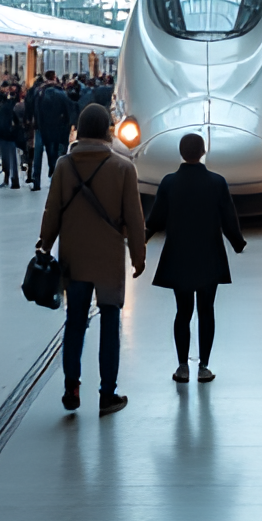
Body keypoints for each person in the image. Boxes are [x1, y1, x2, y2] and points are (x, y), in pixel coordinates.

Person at [37, 103, 146, 415]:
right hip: (109, 257)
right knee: (110, 321)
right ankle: (107, 394)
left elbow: (52, 211)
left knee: (75, 322)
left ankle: (72, 385)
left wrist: (45, 245)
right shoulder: (124, 168)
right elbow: (135, 219)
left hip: (74, 256)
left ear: (80, 130)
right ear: (107, 132)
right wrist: (138, 254)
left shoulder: (63, 166)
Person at [145, 133, 246, 383]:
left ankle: (181, 366)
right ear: (203, 152)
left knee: (182, 311)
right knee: (206, 310)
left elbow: (156, 219)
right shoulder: (217, 182)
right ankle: (203, 366)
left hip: (178, 254)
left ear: (181, 153)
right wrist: (237, 242)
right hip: (209, 254)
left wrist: (142, 239)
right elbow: (228, 218)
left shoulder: (169, 183)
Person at [37, 70, 71, 179]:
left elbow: (37, 109)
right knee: (56, 147)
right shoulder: (61, 92)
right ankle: (56, 167)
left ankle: (51, 166)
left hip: (45, 125)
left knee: (48, 147)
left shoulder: (41, 92)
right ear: (54, 77)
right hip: (58, 125)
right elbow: (67, 110)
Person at [0, 90, 22, 189]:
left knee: (5, 159)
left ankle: (7, 179)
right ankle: (14, 180)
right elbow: (17, 121)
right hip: (11, 136)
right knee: (13, 159)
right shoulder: (11, 106)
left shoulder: (0, 109)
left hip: (3, 136)